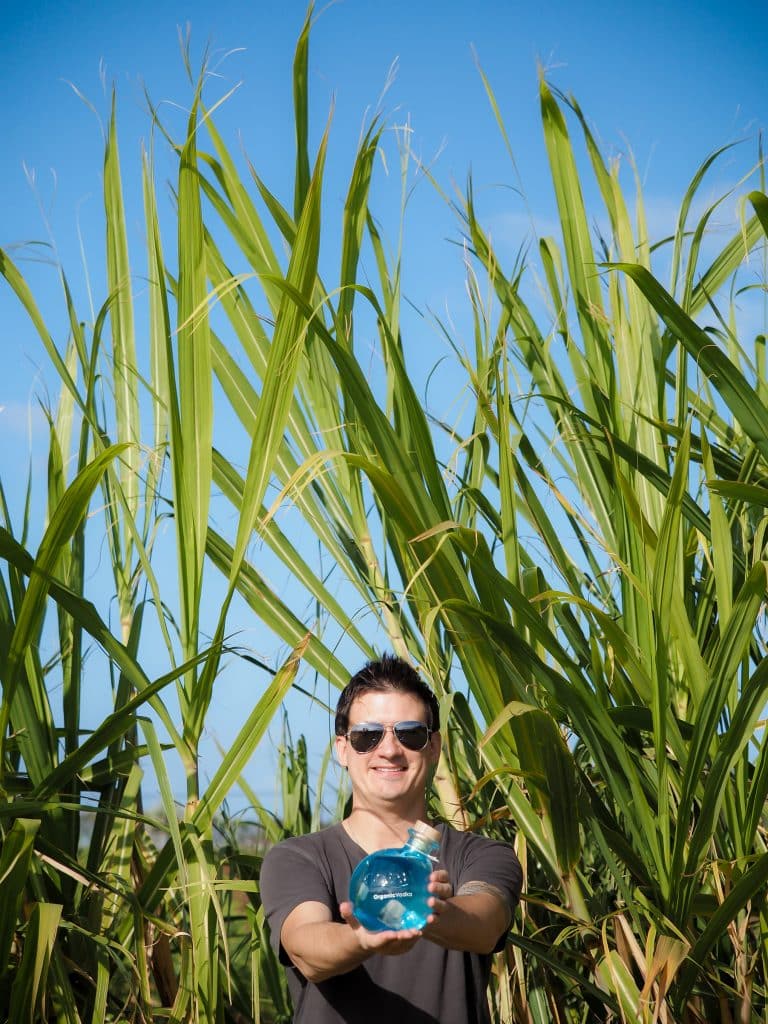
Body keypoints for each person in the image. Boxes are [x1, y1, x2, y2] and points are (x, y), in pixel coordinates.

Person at [260, 653, 523, 1023]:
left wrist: (430, 913)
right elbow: (307, 947)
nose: (388, 750)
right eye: (367, 736)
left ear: (434, 747)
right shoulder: (298, 858)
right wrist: (362, 937)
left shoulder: (482, 855)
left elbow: (485, 924)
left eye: (410, 734)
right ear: (343, 749)